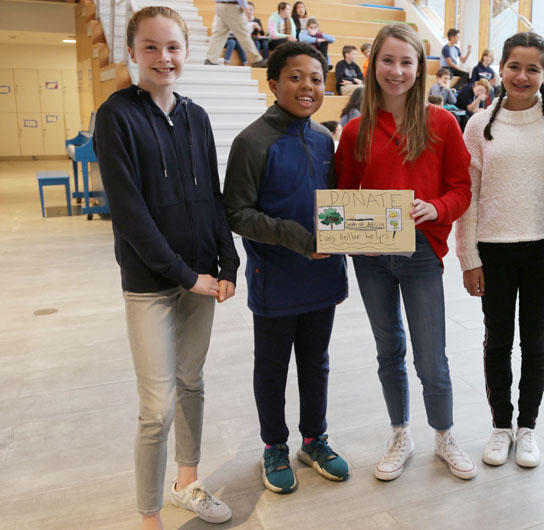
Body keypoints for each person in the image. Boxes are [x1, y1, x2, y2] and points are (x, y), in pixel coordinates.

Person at [93, 7, 239, 529]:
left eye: (172, 46)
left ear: (185, 51)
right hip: (153, 284)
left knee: (192, 382)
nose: (163, 57)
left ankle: (187, 483)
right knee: (157, 407)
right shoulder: (116, 116)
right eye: (151, 47)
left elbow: (212, 197)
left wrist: (229, 261)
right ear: (132, 52)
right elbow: (130, 213)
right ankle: (149, 518)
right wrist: (184, 275)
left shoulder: (197, 116)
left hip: (201, 277)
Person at [335, 23, 476, 482]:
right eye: (387, 61)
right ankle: (400, 433)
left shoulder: (441, 123)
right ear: (373, 64)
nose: (396, 71)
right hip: (371, 254)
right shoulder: (356, 128)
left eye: (406, 62)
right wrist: (340, 236)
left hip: (419, 251)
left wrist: (433, 208)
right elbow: (341, 194)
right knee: (388, 349)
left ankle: (444, 433)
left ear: (420, 67)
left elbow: (461, 190)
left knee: (431, 355)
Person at [224, 41, 351, 495]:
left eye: (316, 78)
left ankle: (314, 440)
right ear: (274, 84)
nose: (308, 86)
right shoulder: (251, 141)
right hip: (274, 278)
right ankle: (274, 445)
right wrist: (298, 240)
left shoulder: (323, 139)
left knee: (316, 362)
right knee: (273, 366)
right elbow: (236, 214)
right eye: (296, 77)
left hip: (322, 276)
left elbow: (335, 207)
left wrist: (362, 234)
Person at [455, 31, 544, 469]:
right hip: (494, 249)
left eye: (532, 68)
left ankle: (527, 428)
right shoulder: (477, 125)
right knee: (497, 341)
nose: (522, 76)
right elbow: (467, 196)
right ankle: (500, 426)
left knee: (536, 341)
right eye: (514, 66)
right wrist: (469, 258)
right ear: (500, 69)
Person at [204, 0, 266, 67]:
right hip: (232, 6)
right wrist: (245, 7)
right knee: (243, 34)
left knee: (218, 35)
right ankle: (256, 60)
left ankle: (210, 59)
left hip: (220, 6)